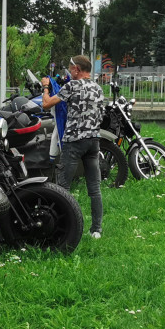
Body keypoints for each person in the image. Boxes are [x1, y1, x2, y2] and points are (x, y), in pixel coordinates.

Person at [41, 55, 104, 238]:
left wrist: (46, 86)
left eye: (70, 68)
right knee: (94, 188)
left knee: (63, 187)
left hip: (73, 141)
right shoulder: (99, 89)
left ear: (77, 69)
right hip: (93, 142)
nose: (69, 72)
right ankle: (96, 230)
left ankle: (62, 227)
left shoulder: (72, 86)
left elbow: (46, 104)